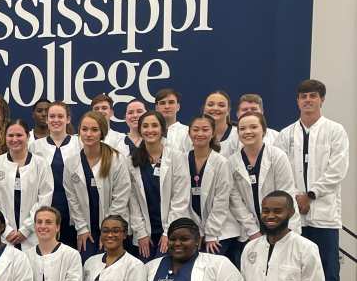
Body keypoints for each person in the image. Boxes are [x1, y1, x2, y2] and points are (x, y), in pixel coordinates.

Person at [277, 79, 349, 281]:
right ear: (297, 101)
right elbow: (281, 169)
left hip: (323, 211)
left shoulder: (335, 130)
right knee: (295, 266)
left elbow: (337, 168)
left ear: (322, 100)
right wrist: (297, 197)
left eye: (313, 96)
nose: (308, 100)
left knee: (328, 264)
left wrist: (312, 194)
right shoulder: (286, 134)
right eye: (303, 96)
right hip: (295, 211)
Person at [64, 110, 131, 261]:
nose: (88, 134)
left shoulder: (117, 159)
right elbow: (72, 198)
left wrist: (108, 231)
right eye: (84, 129)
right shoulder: (71, 162)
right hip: (86, 230)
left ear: (102, 132)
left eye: (94, 130)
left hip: (113, 230)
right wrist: (81, 228)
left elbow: (121, 198)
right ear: (79, 131)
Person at [128, 111, 190, 262]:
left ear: (163, 129)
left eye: (155, 125)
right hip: (145, 234)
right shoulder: (131, 161)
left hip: (171, 230)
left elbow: (180, 199)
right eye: (145, 126)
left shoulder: (176, 157)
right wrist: (141, 233)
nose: (150, 130)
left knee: (165, 272)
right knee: (145, 273)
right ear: (140, 130)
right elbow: (132, 201)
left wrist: (168, 232)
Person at [0, 120, 54, 250]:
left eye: (19, 135)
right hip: (3, 236)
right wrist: (6, 230)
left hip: (33, 236)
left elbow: (44, 200)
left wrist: (26, 230)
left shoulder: (41, 164)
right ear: (5, 137)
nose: (14, 139)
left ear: (28, 136)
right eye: (10, 135)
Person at [229, 111, 299, 241]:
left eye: (253, 127)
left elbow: (286, 194)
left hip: (282, 227)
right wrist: (253, 231)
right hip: (250, 231)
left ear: (264, 131)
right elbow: (236, 201)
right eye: (242, 129)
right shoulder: (232, 162)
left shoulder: (277, 156)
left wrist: (282, 229)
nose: (247, 131)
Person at [185, 115, 242, 263]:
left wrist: (211, 234)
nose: (200, 134)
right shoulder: (181, 160)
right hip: (193, 229)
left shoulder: (221, 162)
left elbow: (221, 201)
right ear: (189, 133)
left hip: (220, 230)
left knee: (209, 265)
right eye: (195, 130)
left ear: (212, 133)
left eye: (205, 130)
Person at [29, 102, 80, 244]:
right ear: (47, 120)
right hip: (45, 207)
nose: (56, 120)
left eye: (60, 116)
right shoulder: (35, 146)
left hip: (72, 209)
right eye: (52, 116)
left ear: (68, 119)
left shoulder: (78, 143)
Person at [202, 90, 239, 157]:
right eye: (210, 105)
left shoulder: (238, 135)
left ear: (228, 110)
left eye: (221, 105)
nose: (215, 108)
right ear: (204, 108)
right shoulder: (193, 134)